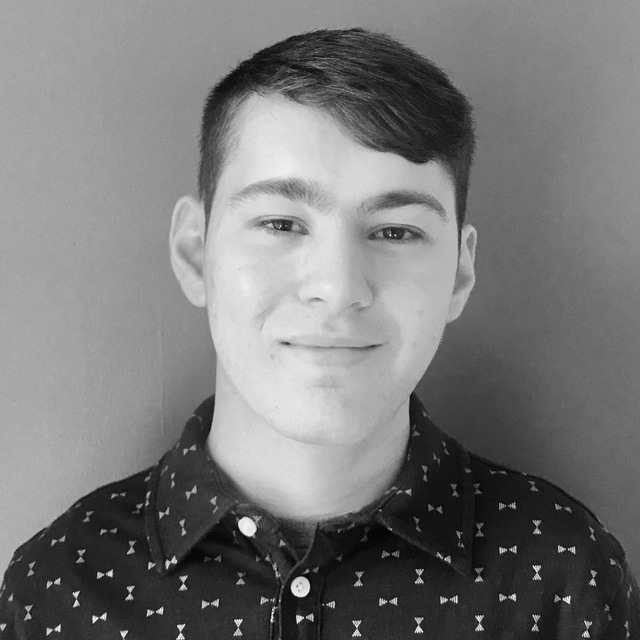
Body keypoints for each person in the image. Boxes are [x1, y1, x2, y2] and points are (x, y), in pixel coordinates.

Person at [1, 27, 638, 639]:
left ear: (459, 274)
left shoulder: (564, 576)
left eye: (396, 232)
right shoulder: (54, 589)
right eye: (280, 223)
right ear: (196, 253)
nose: (337, 288)